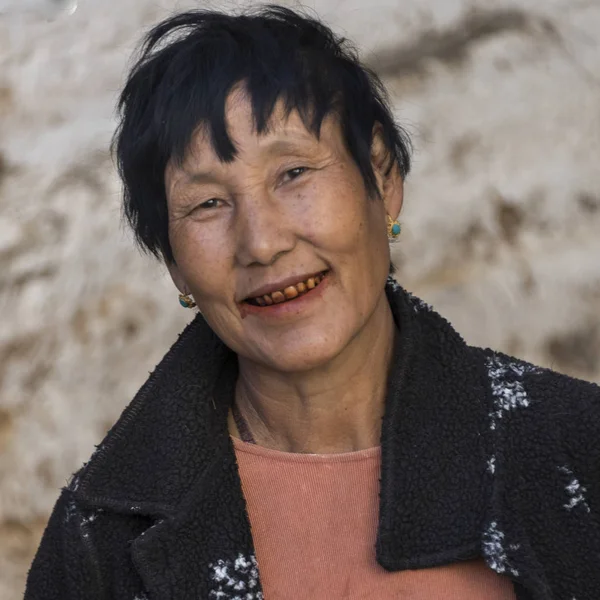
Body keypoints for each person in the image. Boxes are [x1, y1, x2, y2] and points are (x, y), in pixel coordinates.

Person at [25, 6, 600, 600]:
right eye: (207, 206)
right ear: (175, 265)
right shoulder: (104, 534)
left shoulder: (574, 447)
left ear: (382, 178)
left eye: (294, 172)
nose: (263, 242)